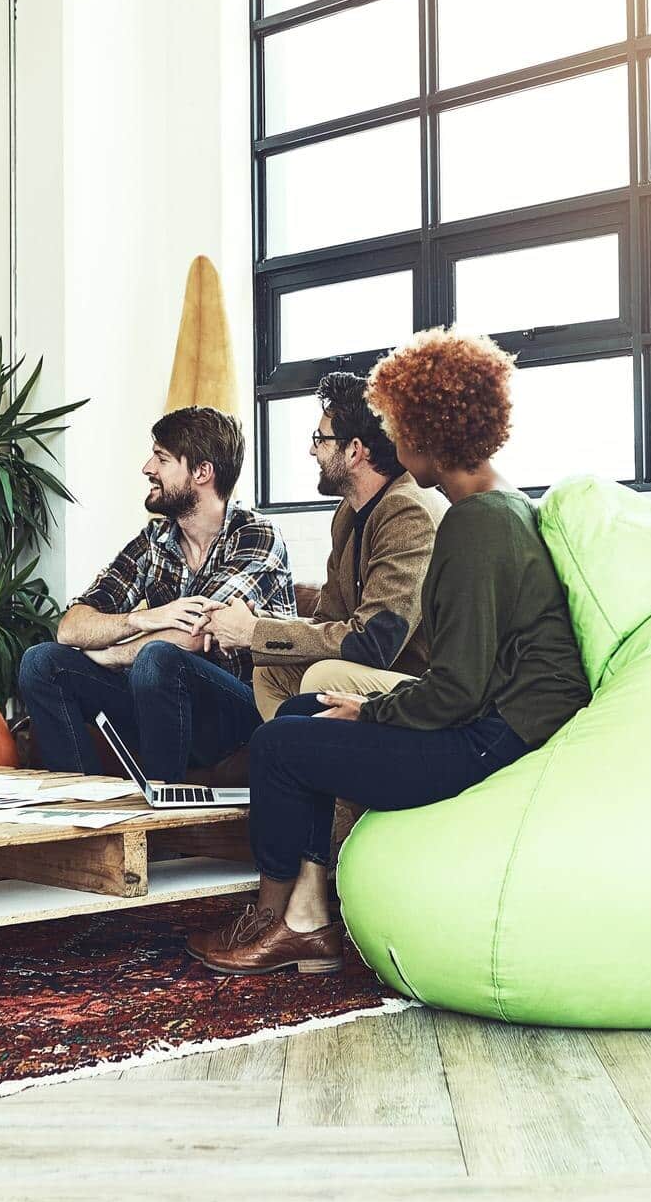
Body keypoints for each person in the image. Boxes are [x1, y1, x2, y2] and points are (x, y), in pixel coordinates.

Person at [188, 330, 592, 975]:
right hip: (491, 719)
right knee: (302, 714)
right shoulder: (497, 506)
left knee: (280, 745)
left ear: (427, 432)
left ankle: (279, 918)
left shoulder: (475, 524)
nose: (393, 442)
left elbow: (457, 691)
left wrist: (369, 711)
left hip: (492, 740)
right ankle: (306, 917)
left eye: (397, 426)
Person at [18, 406, 294, 784]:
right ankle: (83, 798)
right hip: (157, 701)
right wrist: (141, 618)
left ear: (202, 472)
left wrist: (112, 654)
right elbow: (71, 627)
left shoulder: (256, 535)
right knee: (42, 662)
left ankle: (162, 809)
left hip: (237, 710)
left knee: (158, 657)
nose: (148, 468)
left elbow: (194, 636)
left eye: (162, 459)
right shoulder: (154, 540)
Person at [202, 371, 443, 720]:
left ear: (354, 451)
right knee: (271, 672)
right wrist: (257, 621)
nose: (312, 450)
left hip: (424, 688)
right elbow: (329, 621)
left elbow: (375, 642)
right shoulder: (349, 513)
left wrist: (252, 632)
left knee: (323, 676)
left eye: (320, 439)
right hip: (379, 671)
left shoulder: (408, 510)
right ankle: (289, 752)